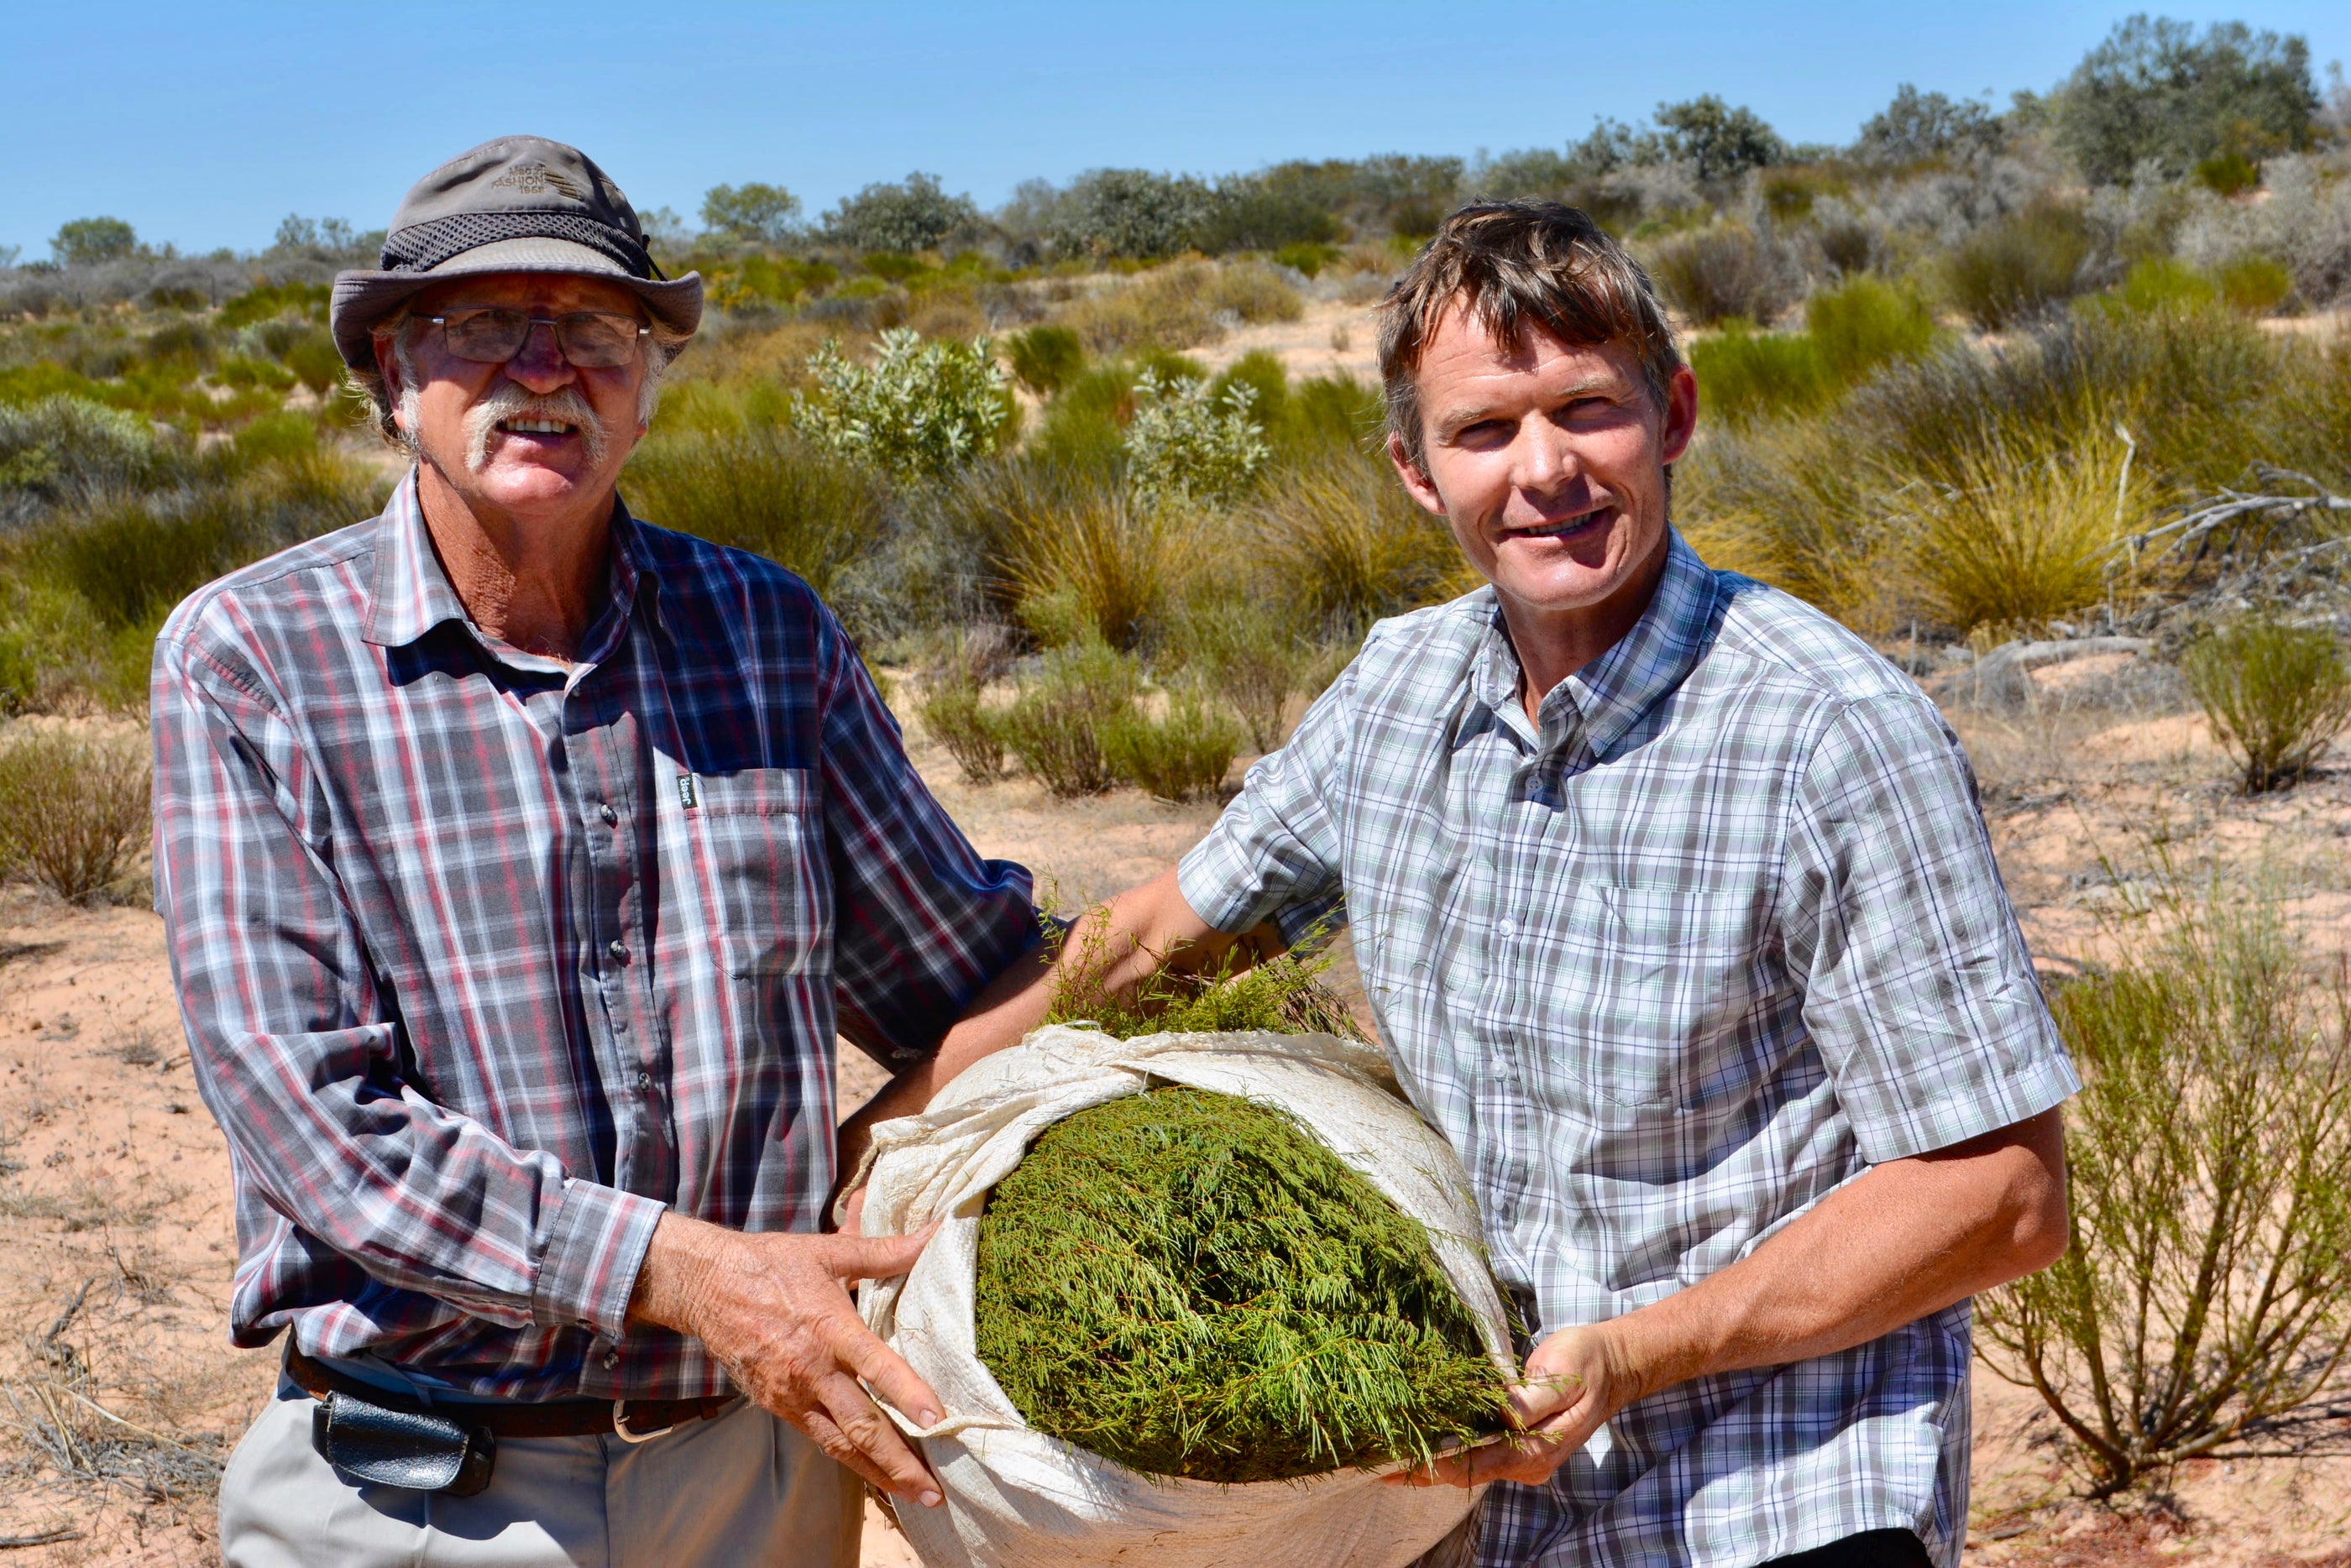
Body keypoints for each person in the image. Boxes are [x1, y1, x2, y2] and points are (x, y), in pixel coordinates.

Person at [857, 201, 2079, 1567]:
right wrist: (889, 1151)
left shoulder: (1827, 733)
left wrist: (1640, 1352)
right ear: (1416, 471)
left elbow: (2001, 1197)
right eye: (1486, 431)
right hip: (1478, 1512)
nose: (1547, 469)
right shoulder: (1402, 688)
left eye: (1588, 410)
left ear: (1672, 415)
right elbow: (1151, 943)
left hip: (1771, 1503)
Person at [153, 136, 1038, 1567]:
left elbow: (972, 979)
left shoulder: (766, 633)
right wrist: (692, 1275)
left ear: (648, 379)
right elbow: (323, 1132)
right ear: (392, 375)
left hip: (752, 1471)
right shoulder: (254, 660)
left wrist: (1214, 918)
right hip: (416, 1491)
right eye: (484, 325)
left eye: (598, 329)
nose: (547, 366)